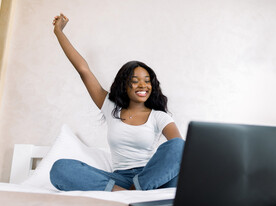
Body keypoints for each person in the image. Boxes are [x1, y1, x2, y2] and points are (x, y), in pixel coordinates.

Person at [50, 13, 184, 192]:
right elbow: (83, 70)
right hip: (118, 179)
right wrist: (58, 31)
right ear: (124, 84)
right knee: (60, 168)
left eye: (147, 80)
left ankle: (134, 190)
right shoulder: (110, 106)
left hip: (151, 176)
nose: (143, 85)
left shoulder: (159, 117)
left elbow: (178, 151)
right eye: (135, 80)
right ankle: (125, 192)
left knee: (179, 146)